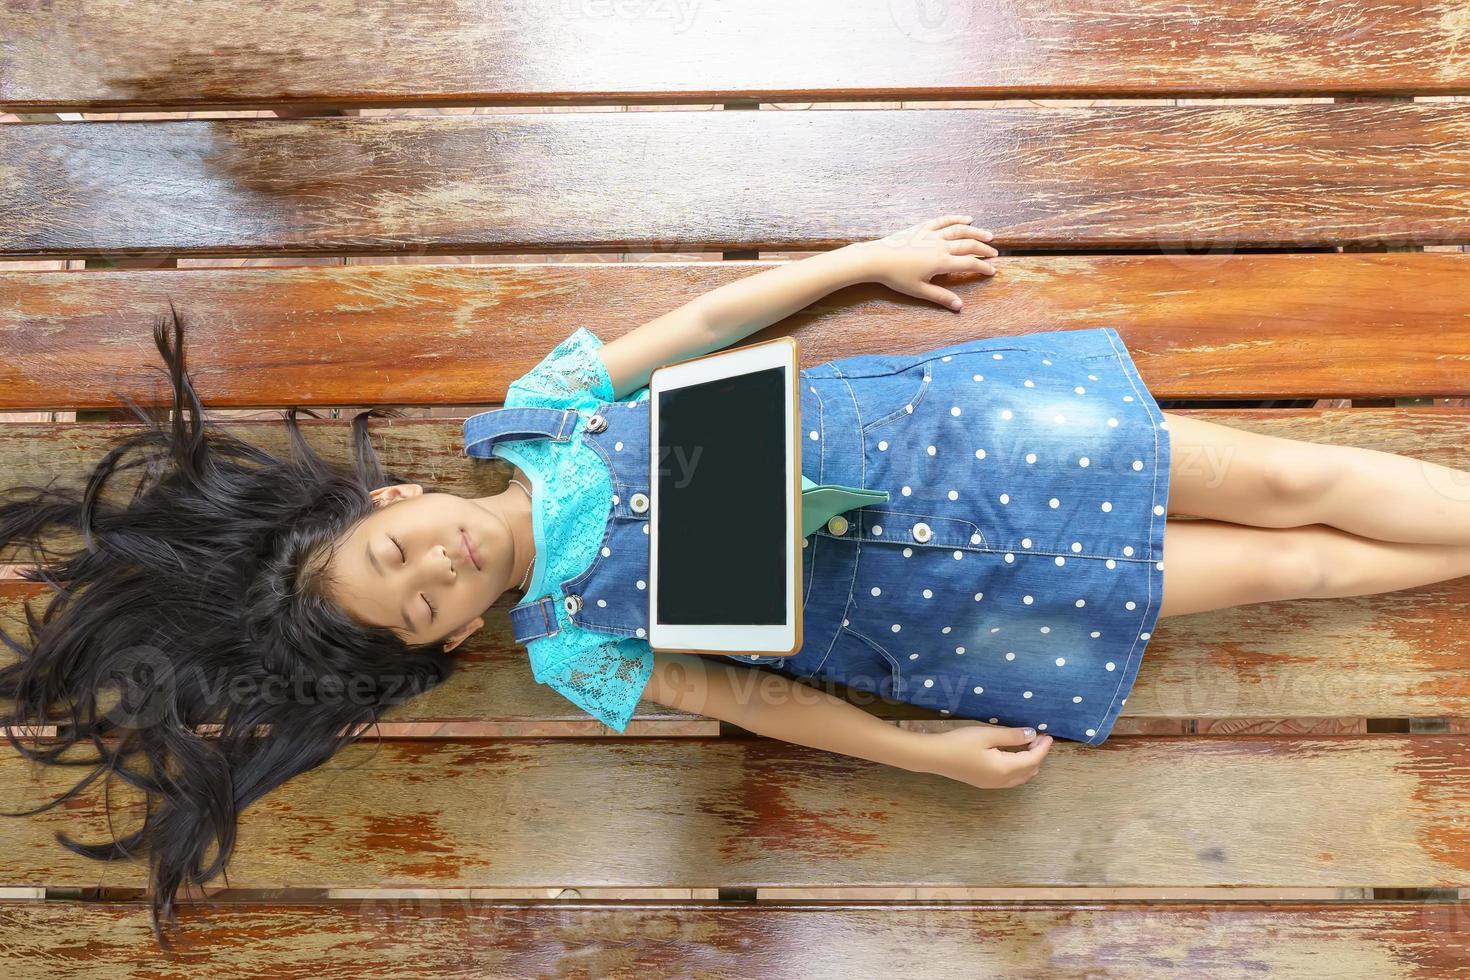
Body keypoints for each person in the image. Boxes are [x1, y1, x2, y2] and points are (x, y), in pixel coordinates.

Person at [6, 216, 1470, 948]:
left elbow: (706, 318)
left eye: (398, 551)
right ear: (449, 644)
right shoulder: (573, 651)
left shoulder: (537, 410)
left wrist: (863, 258)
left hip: (961, 440)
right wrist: (925, 755)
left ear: (390, 496)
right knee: (1272, 574)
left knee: (1285, 483)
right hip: (944, 614)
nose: (438, 568)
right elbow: (746, 706)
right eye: (421, 608)